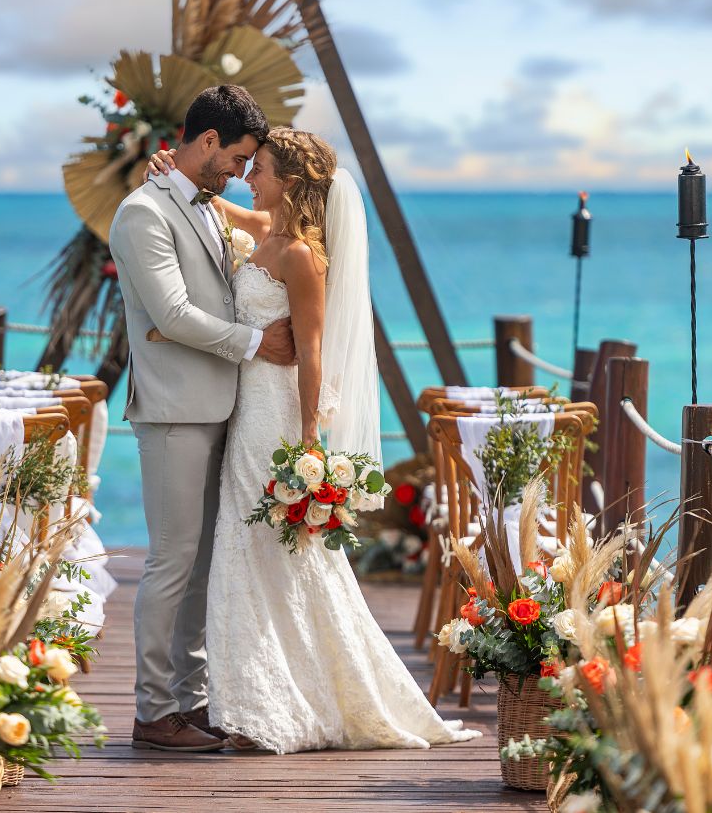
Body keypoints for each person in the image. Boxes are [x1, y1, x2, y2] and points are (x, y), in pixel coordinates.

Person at [146, 130, 481, 754]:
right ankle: (258, 696)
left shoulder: (302, 255)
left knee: (268, 552)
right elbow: (222, 206)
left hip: (273, 418)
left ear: (291, 184)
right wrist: (172, 172)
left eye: (262, 169)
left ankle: (267, 706)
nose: (250, 176)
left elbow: (313, 354)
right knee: (252, 553)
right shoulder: (268, 232)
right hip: (243, 410)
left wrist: (306, 438)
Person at [108, 85, 297, 752]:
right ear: (209, 141)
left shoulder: (207, 207)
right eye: (239, 157)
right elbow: (171, 314)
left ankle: (187, 699)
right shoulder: (142, 213)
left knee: (201, 564)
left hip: (223, 406)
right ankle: (152, 708)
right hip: (173, 412)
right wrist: (256, 343)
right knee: (170, 561)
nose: (244, 172)